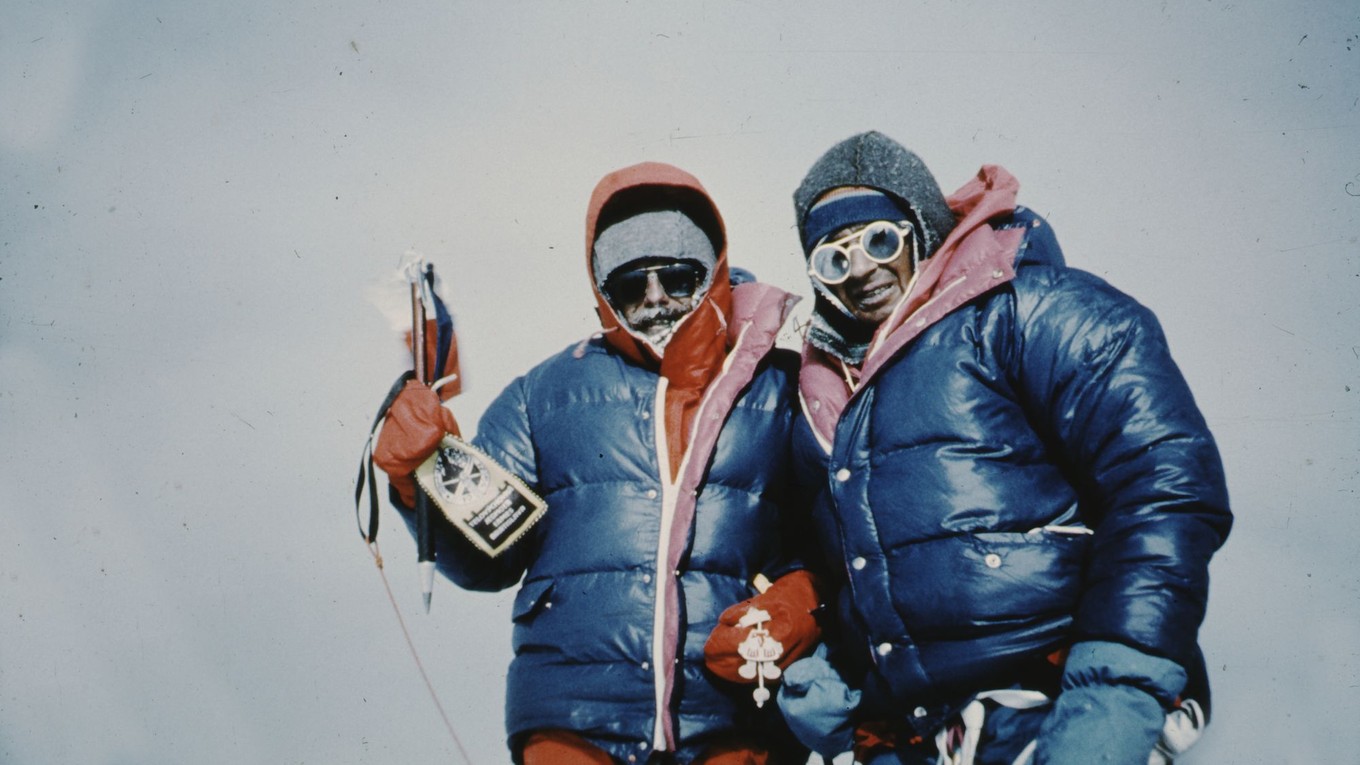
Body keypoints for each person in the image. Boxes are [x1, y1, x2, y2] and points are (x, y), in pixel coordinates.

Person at [773, 131, 1233, 764]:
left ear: (922, 227)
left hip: (1052, 705)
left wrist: (1114, 693)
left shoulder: (1027, 311)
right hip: (924, 735)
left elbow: (1165, 479)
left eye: (880, 240)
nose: (861, 272)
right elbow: (846, 560)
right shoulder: (822, 395)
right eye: (833, 258)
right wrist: (832, 671)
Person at [372, 161, 822, 765]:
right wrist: (418, 476)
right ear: (602, 290)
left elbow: (842, 540)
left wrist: (801, 604)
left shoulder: (782, 390)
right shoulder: (543, 395)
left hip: (736, 719)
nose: (656, 299)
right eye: (633, 284)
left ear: (711, 273)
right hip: (572, 721)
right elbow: (488, 558)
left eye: (678, 277)